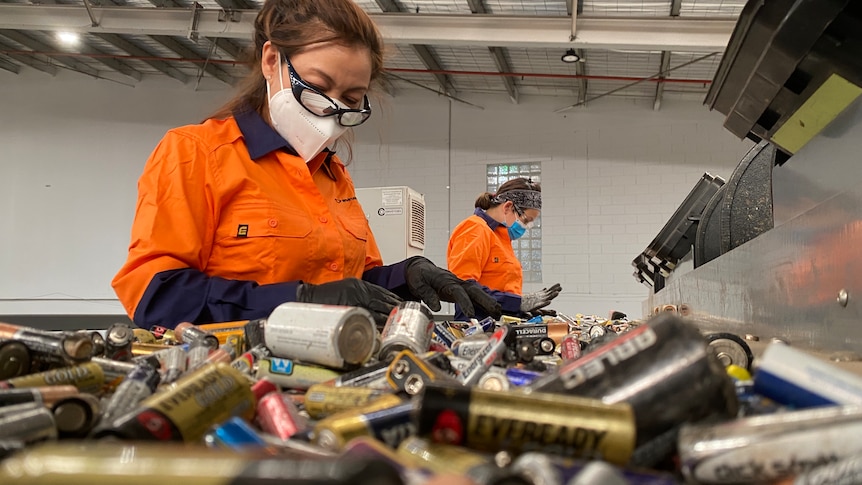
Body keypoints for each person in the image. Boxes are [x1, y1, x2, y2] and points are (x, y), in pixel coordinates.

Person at [112, 0, 500, 329]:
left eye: (351, 97)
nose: (333, 108)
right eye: (317, 86)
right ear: (271, 61)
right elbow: (155, 296)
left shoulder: (333, 177)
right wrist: (302, 301)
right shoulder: (196, 153)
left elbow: (352, 285)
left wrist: (405, 275)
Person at [447, 178, 562, 320]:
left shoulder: (501, 237)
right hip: (477, 327)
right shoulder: (475, 229)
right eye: (525, 220)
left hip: (498, 324)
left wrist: (520, 311)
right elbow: (463, 287)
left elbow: (498, 287)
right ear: (507, 207)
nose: (526, 227)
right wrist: (518, 303)